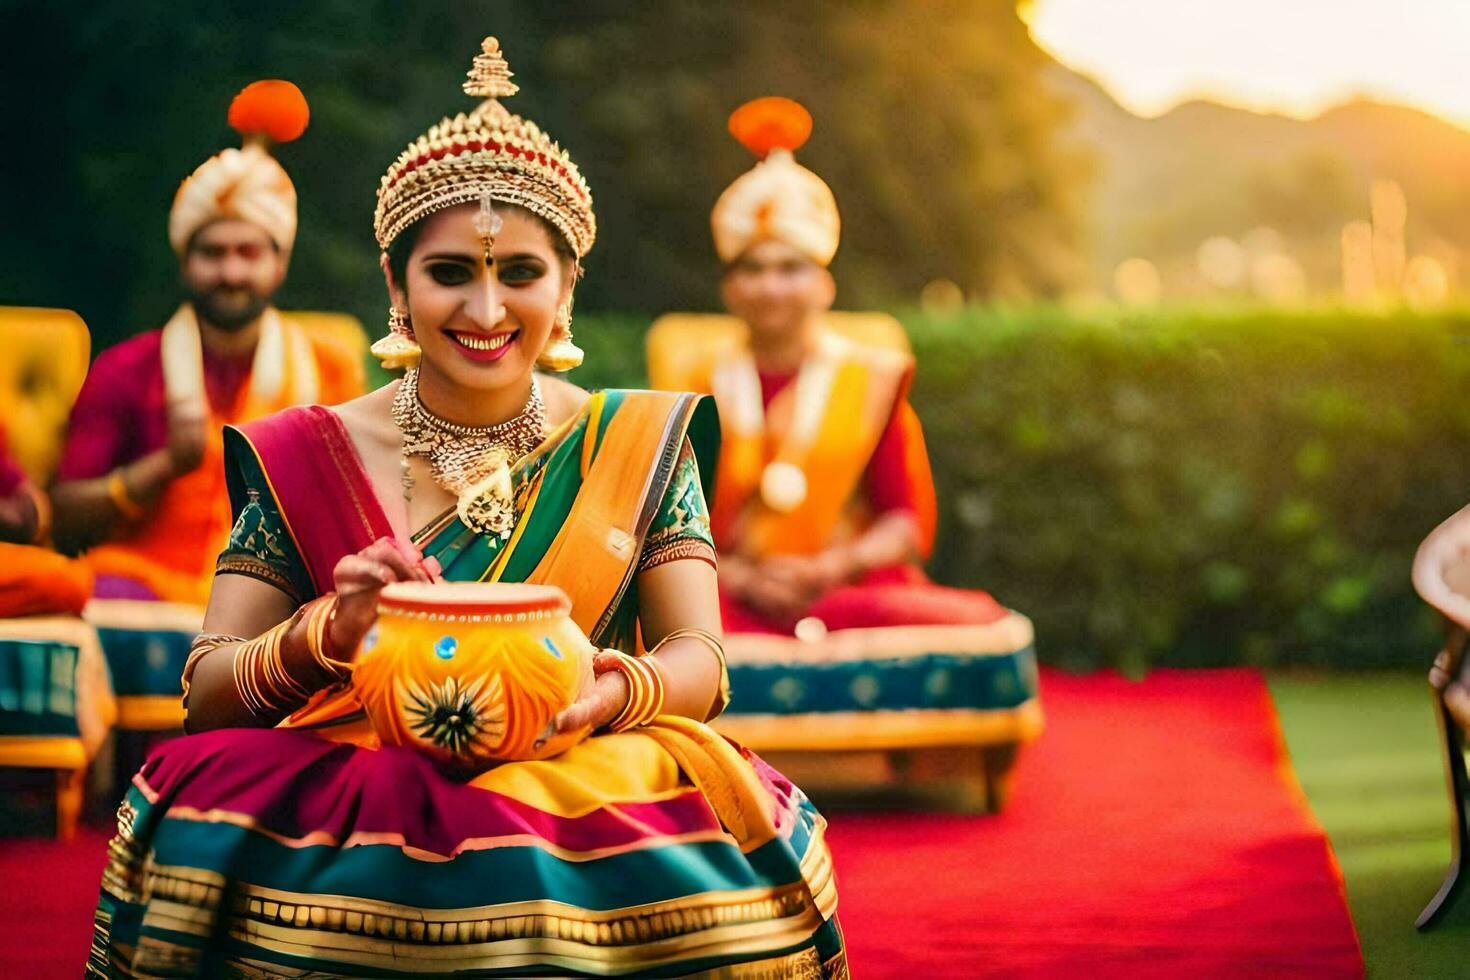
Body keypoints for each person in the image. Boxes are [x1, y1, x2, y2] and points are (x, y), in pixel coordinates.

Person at [89, 39, 844, 978]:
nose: (486, 308)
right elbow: (204, 695)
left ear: (566, 287)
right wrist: (326, 631)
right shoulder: (302, 450)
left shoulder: (640, 440)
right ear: (397, 289)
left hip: (585, 756)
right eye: (450, 272)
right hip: (350, 777)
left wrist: (610, 693)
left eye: (521, 272)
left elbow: (702, 657)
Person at [647, 98, 1039, 808]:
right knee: (649, 642)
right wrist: (733, 574)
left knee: (984, 631)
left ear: (823, 281)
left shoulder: (871, 379)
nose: (771, 285)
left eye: (791, 267)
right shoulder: (695, 385)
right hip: (724, 592)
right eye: (753, 267)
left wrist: (829, 566)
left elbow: (905, 522)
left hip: (845, 586)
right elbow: (663, 517)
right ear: (729, 286)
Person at [51, 81, 363, 606]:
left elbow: (357, 518)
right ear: (185, 260)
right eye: (212, 252)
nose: (231, 271)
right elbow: (61, 521)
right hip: (144, 591)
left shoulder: (329, 371)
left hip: (283, 599)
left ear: (279, 261)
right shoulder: (128, 367)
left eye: (248, 251)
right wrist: (164, 465)